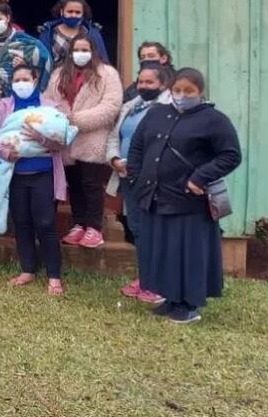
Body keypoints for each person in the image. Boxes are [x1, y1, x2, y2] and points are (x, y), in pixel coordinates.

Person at [127, 68, 241, 324]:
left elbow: (231, 155)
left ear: (200, 92)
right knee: (162, 248)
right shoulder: (156, 113)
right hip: (154, 195)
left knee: (188, 251)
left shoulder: (214, 119)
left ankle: (189, 304)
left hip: (189, 199)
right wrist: (136, 177)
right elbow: (137, 145)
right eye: (176, 90)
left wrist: (200, 177)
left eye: (188, 91)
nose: (181, 96)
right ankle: (170, 298)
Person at [0, 65, 68, 295]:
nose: (21, 83)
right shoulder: (3, 106)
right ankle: (27, 269)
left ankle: (54, 275)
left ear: (36, 79)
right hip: (16, 175)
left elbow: (62, 140)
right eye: (17, 79)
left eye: (25, 78)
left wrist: (40, 138)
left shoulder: (50, 107)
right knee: (21, 221)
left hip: (43, 174)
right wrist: (3, 151)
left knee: (46, 222)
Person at [44, 34, 122, 248]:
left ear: (93, 51)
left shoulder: (107, 74)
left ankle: (94, 227)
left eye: (85, 49)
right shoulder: (59, 74)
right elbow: (49, 101)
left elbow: (111, 106)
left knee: (91, 183)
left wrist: (76, 120)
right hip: (66, 139)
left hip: (93, 137)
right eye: (76, 49)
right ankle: (78, 224)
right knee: (75, 183)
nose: (80, 54)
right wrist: (58, 120)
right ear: (70, 52)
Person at [106, 64, 172, 304]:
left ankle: (161, 283)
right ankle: (145, 278)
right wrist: (114, 159)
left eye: (150, 82)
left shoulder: (168, 108)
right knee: (138, 229)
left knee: (156, 230)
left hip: (154, 181)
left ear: (163, 84)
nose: (143, 86)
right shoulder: (130, 107)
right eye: (140, 82)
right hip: (127, 177)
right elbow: (115, 136)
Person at [38, 0, 109, 66]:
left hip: (87, 76)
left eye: (78, 12)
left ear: (83, 14)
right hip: (56, 76)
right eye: (70, 11)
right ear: (62, 11)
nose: (73, 15)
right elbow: (40, 63)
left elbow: (102, 61)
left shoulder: (92, 33)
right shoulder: (48, 33)